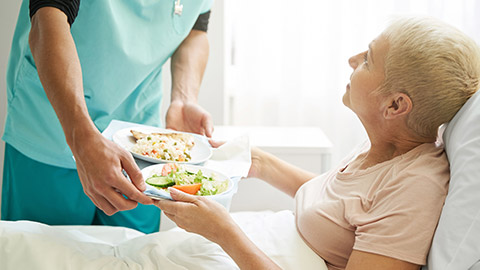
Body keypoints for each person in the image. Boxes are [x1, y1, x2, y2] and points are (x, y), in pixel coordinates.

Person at [155, 16, 480, 269]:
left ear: (395, 106)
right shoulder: (384, 148)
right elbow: (338, 208)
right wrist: (259, 163)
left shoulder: (413, 189)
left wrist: (224, 232)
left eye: (368, 59)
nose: (352, 60)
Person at [1, 0, 214, 234]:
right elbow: (47, 22)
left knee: (136, 257)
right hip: (52, 129)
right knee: (41, 255)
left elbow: (195, 29)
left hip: (140, 144)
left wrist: (184, 98)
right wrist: (80, 137)